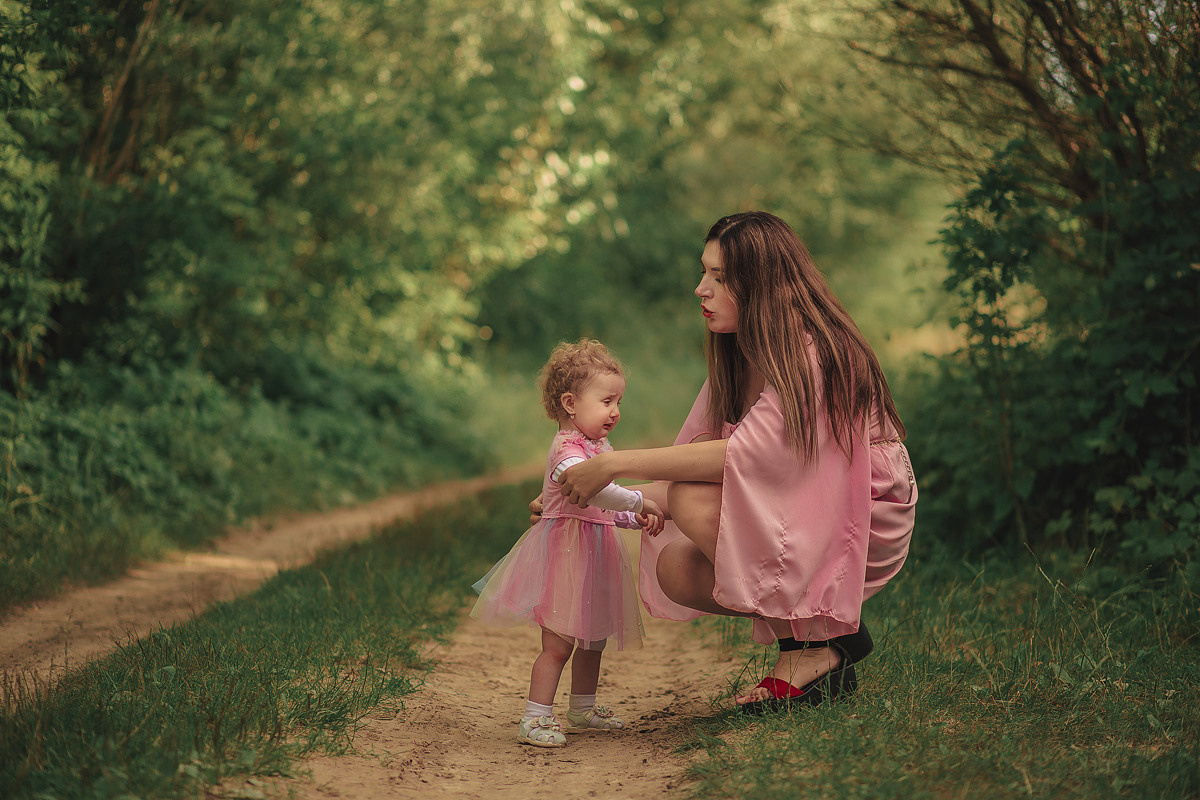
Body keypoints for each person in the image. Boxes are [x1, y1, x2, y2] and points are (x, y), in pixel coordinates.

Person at [551, 211, 917, 713]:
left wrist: (615, 465)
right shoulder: (742, 351)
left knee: (691, 496)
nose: (701, 289)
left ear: (763, 285)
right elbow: (691, 472)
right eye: (704, 272)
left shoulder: (815, 352)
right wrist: (580, 491)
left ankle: (812, 648)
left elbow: (741, 458)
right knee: (677, 568)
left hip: (862, 511)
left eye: (720, 278)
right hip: (807, 504)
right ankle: (825, 648)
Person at [471, 339, 666, 747]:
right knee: (558, 643)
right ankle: (535, 717)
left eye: (619, 401)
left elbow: (607, 506)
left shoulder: (598, 448)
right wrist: (639, 500)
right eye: (607, 400)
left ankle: (582, 707)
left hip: (596, 551)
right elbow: (599, 494)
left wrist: (633, 517)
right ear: (571, 403)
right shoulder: (567, 452)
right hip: (568, 553)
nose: (615, 411)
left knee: (593, 639)